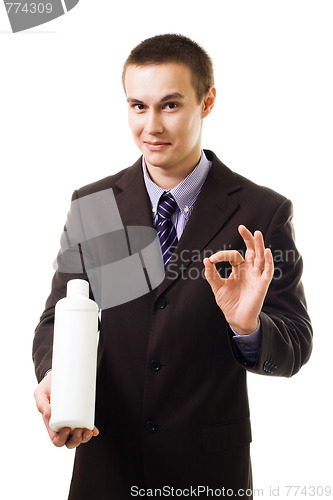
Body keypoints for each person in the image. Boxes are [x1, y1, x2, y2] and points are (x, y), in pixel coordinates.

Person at [33, 34, 313, 499]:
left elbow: (296, 342)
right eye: (138, 106)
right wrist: (54, 378)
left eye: (169, 105)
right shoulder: (95, 205)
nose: (151, 126)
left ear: (207, 102)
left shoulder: (262, 212)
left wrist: (248, 328)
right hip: (107, 466)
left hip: (206, 474)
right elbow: (55, 318)